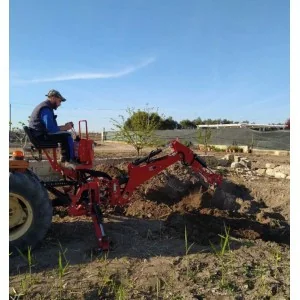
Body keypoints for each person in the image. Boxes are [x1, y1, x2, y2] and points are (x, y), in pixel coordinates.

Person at [28, 89, 78, 168]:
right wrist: (65, 128)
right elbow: (51, 129)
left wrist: (65, 127)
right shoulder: (46, 109)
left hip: (39, 134)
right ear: (53, 98)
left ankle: (64, 159)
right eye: (59, 101)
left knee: (65, 133)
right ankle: (67, 161)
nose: (59, 104)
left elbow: (52, 128)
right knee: (67, 135)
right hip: (41, 136)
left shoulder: (46, 107)